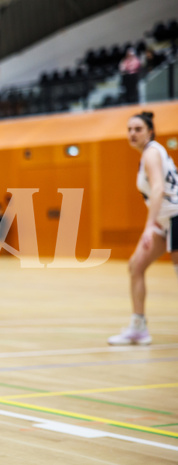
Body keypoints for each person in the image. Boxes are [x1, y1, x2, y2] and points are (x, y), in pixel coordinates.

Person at [108, 111, 178, 346]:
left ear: (150, 131)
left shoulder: (150, 153)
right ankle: (138, 328)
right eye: (129, 129)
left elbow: (158, 188)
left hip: (174, 218)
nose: (132, 133)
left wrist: (148, 227)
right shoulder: (152, 154)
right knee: (136, 265)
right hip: (166, 220)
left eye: (138, 129)